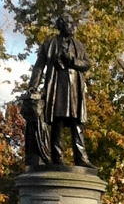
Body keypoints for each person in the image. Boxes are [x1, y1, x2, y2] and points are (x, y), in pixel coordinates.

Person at [27, 14, 95, 167]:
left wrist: (72, 61)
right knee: (58, 121)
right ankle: (57, 158)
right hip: (57, 86)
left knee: (77, 123)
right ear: (62, 25)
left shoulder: (78, 45)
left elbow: (87, 64)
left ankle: (81, 158)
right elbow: (39, 66)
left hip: (74, 89)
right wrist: (33, 85)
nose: (72, 27)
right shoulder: (50, 44)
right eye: (70, 24)